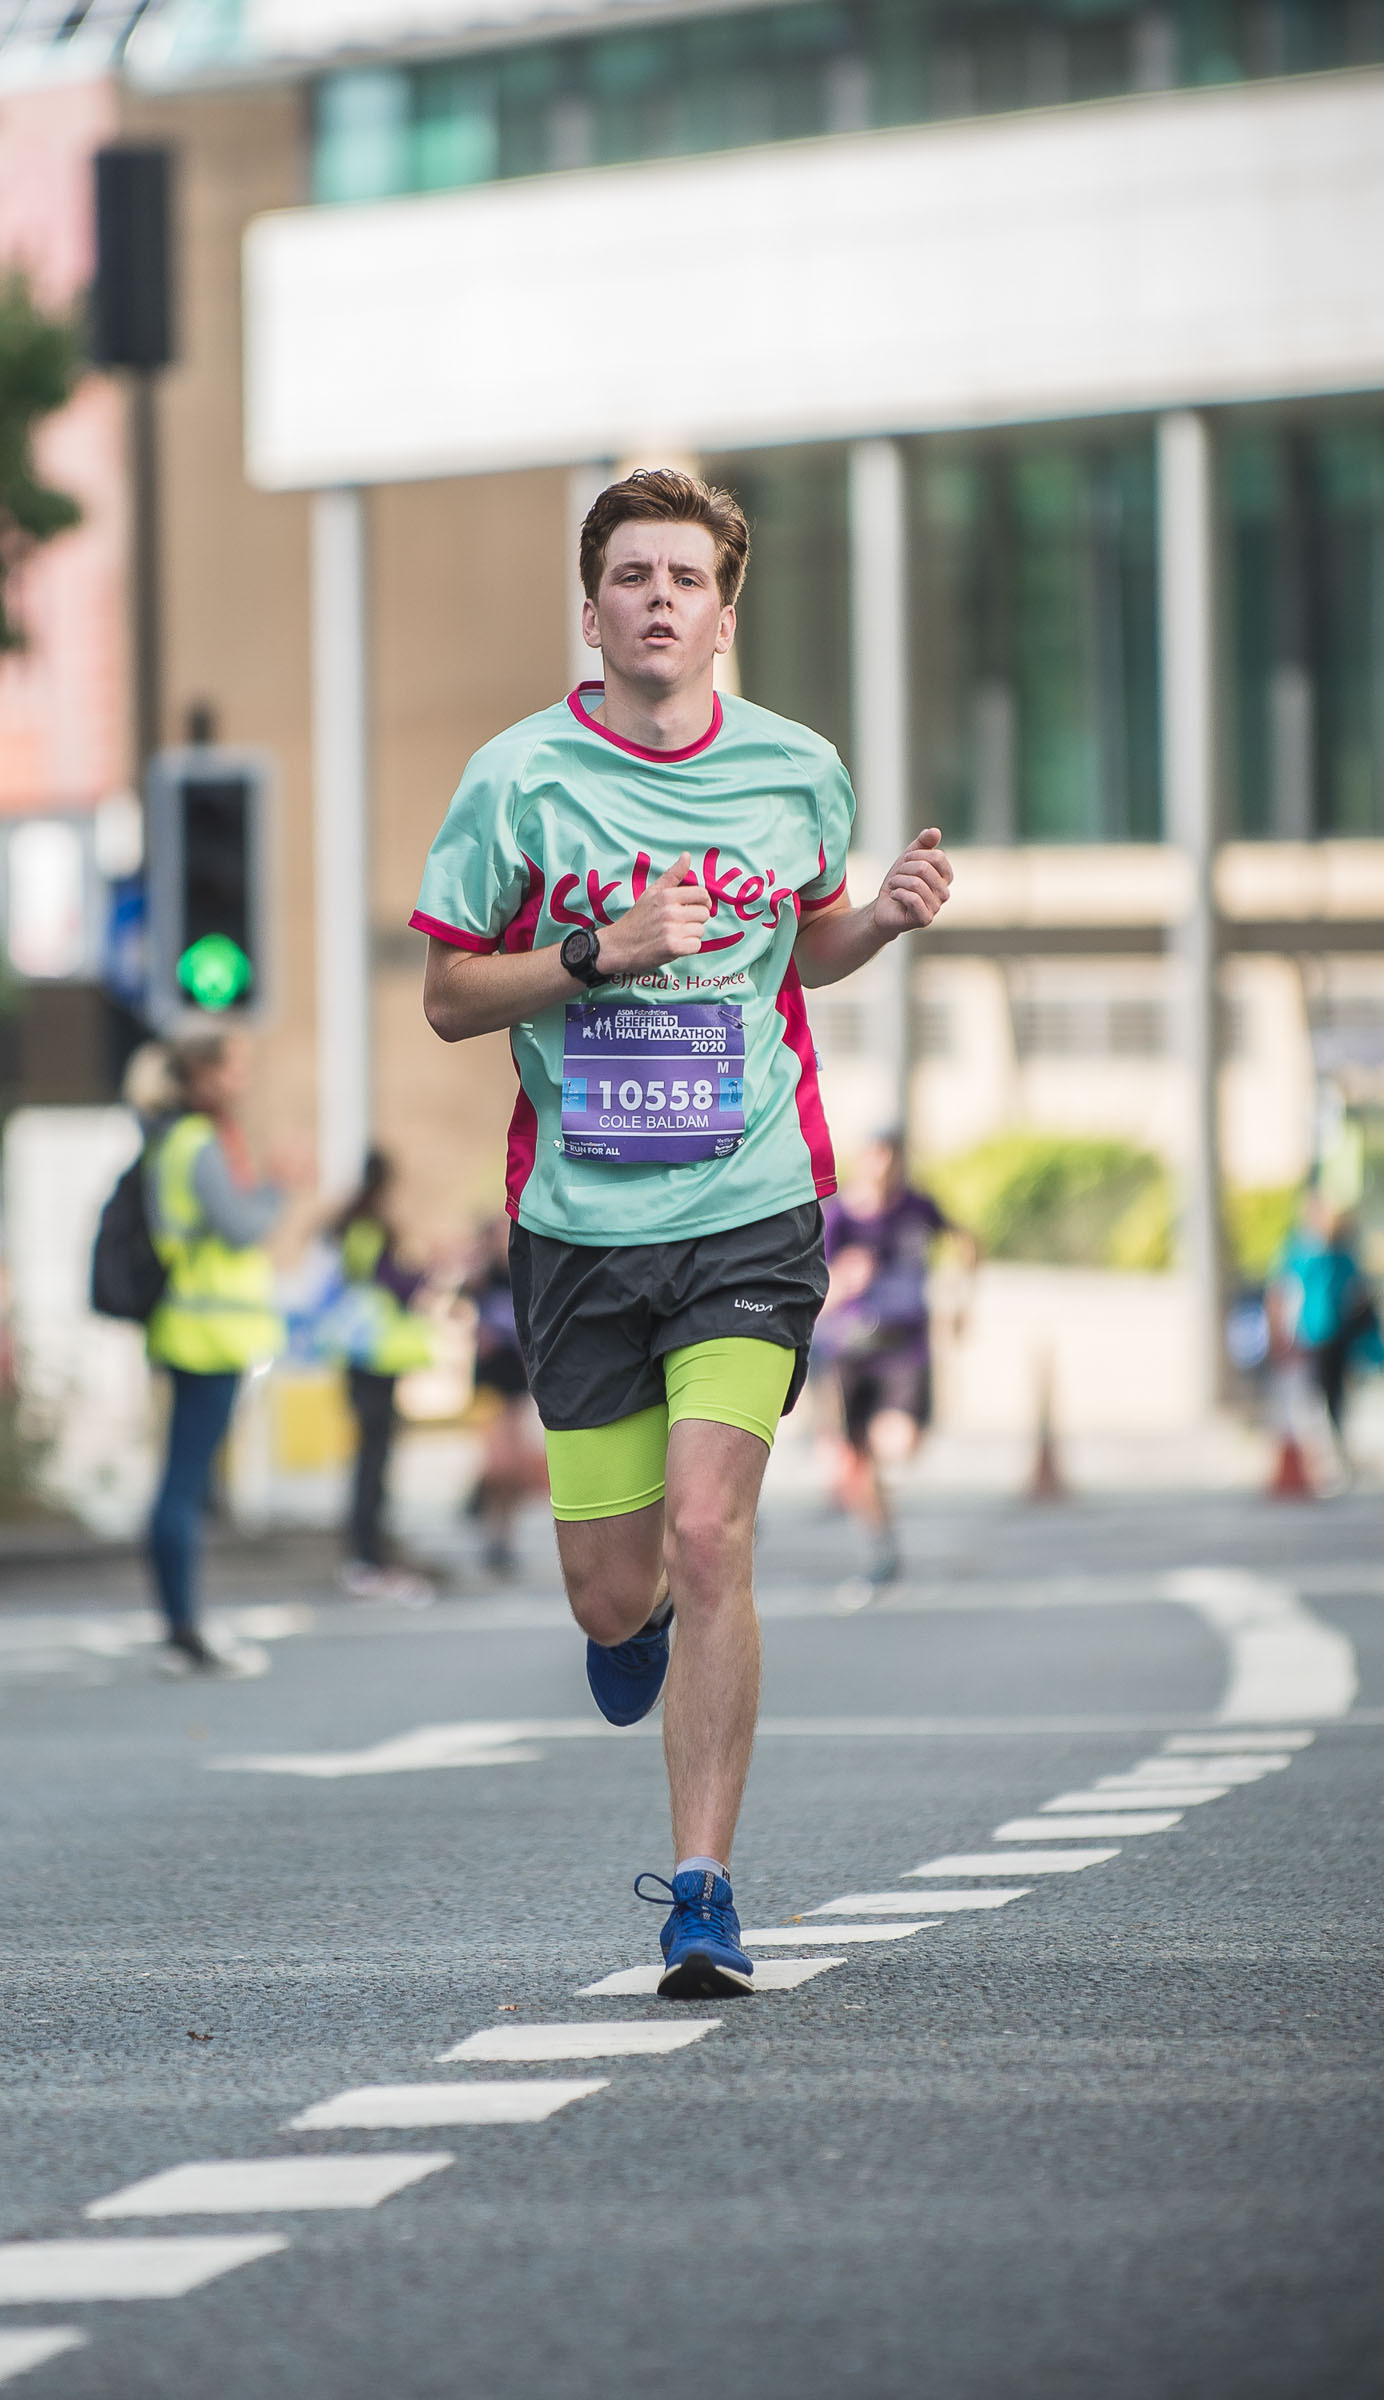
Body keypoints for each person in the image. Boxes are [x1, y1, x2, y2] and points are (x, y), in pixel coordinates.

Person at [412, 466, 952, 1997]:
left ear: (724, 610)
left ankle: (704, 1891)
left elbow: (804, 952)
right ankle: (624, 1618)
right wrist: (594, 950)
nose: (660, 598)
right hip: (578, 1223)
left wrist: (885, 921)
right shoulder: (517, 777)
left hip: (750, 1205)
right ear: (591, 614)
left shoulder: (798, 772)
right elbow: (453, 996)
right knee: (615, 1589)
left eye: (687, 578)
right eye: (632, 577)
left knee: (714, 1533)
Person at [141, 1030, 291, 1673]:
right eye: (235, 1068)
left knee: (186, 1479)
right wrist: (280, 1187)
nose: (244, 1080)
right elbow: (241, 1227)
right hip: (206, 1337)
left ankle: (182, 1623)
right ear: (203, 1077)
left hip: (197, 1333)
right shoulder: (198, 1144)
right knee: (184, 1482)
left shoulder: (178, 1139)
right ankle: (183, 1627)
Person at [816, 1132, 975, 1586]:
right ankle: (881, 1545)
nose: (883, 1167)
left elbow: (967, 1244)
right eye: (874, 1156)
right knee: (852, 1459)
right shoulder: (840, 1217)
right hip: (850, 1347)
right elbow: (813, 1290)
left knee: (897, 1445)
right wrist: (844, 1281)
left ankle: (876, 1500)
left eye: (892, 1157)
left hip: (906, 1344)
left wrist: (964, 1301)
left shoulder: (919, 1208)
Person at [324, 1149, 434, 1602]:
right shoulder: (370, 1226)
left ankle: (365, 1554)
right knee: (375, 1459)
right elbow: (388, 1282)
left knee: (368, 1458)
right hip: (376, 1357)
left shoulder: (348, 1221)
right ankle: (367, 1558)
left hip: (358, 1356)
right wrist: (423, 1276)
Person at [1269, 1189, 1376, 1482]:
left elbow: (1357, 1293)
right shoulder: (1302, 1252)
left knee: (1335, 1395)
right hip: (1309, 1334)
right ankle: (1319, 1458)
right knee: (1313, 1397)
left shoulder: (1341, 1255)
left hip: (1337, 1335)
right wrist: (1280, 1333)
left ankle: (1335, 1454)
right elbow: (1282, 1291)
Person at [461, 1213, 544, 1578]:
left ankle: (503, 1539)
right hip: (489, 1383)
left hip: (518, 1381)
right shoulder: (481, 1279)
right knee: (501, 1464)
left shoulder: (523, 1272)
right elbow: (454, 1309)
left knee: (513, 1472)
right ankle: (485, 1517)